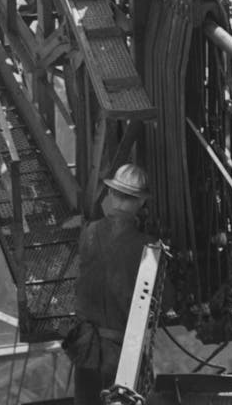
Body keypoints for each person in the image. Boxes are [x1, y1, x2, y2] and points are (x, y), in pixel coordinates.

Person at [64, 164, 151, 405]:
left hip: (86, 350)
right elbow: (165, 303)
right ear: (142, 202)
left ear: (111, 195)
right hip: (121, 356)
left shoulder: (89, 232)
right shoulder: (148, 247)